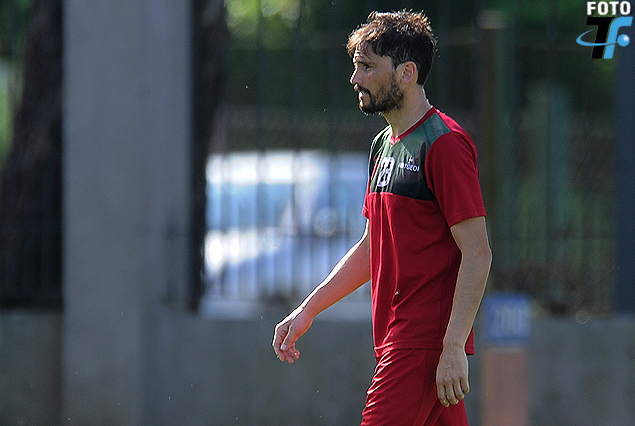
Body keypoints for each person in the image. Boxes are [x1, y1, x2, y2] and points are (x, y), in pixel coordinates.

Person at [272, 10, 492, 426]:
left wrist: (451, 347)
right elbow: (372, 246)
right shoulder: (383, 145)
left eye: (368, 67)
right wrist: (308, 309)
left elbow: (478, 253)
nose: (355, 79)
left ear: (407, 73)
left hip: (422, 344)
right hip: (401, 339)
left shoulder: (444, 145)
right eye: (356, 66)